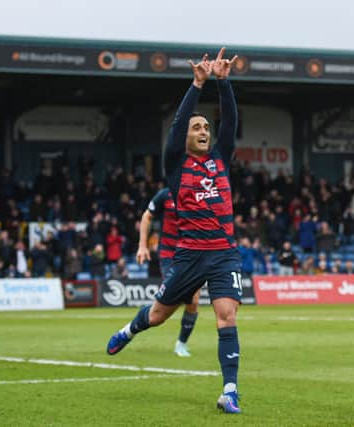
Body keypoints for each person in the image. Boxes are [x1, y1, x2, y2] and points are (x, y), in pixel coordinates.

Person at [106, 48, 243, 414]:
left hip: (224, 253)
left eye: (205, 128)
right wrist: (198, 84)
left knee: (226, 315)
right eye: (196, 128)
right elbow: (181, 121)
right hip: (187, 256)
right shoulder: (176, 166)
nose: (203, 131)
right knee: (157, 316)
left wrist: (223, 82)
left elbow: (229, 121)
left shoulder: (220, 159)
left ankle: (230, 390)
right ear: (183, 136)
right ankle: (128, 331)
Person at [137, 187, 202, 357]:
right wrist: (142, 245)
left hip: (191, 255)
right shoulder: (165, 194)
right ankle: (140, 319)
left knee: (193, 301)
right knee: (171, 300)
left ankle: (181, 344)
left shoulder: (199, 193)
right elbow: (147, 216)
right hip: (169, 254)